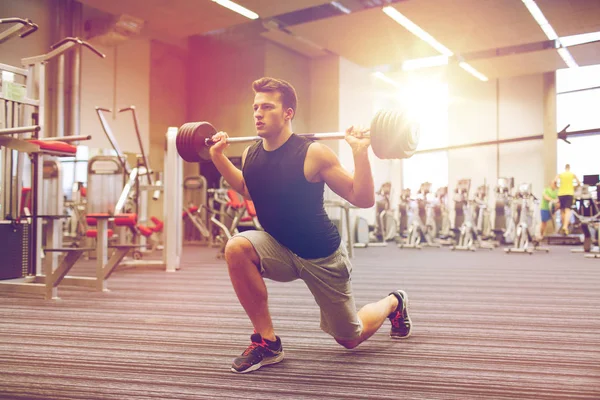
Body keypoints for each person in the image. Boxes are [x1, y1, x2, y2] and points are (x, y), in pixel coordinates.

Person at [208, 77, 412, 374]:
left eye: (267, 107)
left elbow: (363, 198)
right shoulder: (252, 153)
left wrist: (359, 152)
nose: (258, 114)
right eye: (255, 108)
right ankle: (267, 342)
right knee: (236, 247)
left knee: (350, 338)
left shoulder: (313, 153)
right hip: (279, 247)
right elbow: (247, 187)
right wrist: (217, 157)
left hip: (322, 257)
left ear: (288, 112)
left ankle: (394, 302)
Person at [554, 164, 581, 235]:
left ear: (565, 168)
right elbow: (579, 183)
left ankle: (564, 226)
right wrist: (574, 187)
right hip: (569, 193)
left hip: (561, 193)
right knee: (567, 210)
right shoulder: (572, 174)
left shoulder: (560, 174)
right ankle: (565, 227)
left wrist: (558, 187)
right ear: (569, 168)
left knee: (562, 210)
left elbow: (555, 181)